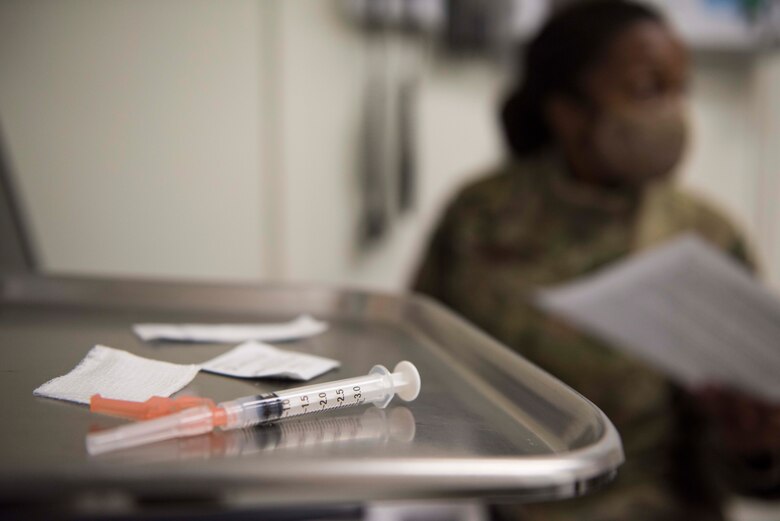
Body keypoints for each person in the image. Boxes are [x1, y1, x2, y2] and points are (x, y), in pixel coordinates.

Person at [412, 1, 780, 520]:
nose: (675, 110)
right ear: (567, 111)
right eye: (650, 88)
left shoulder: (702, 236)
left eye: (682, 89)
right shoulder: (481, 217)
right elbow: (419, 374)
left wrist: (756, 446)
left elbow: (746, 466)